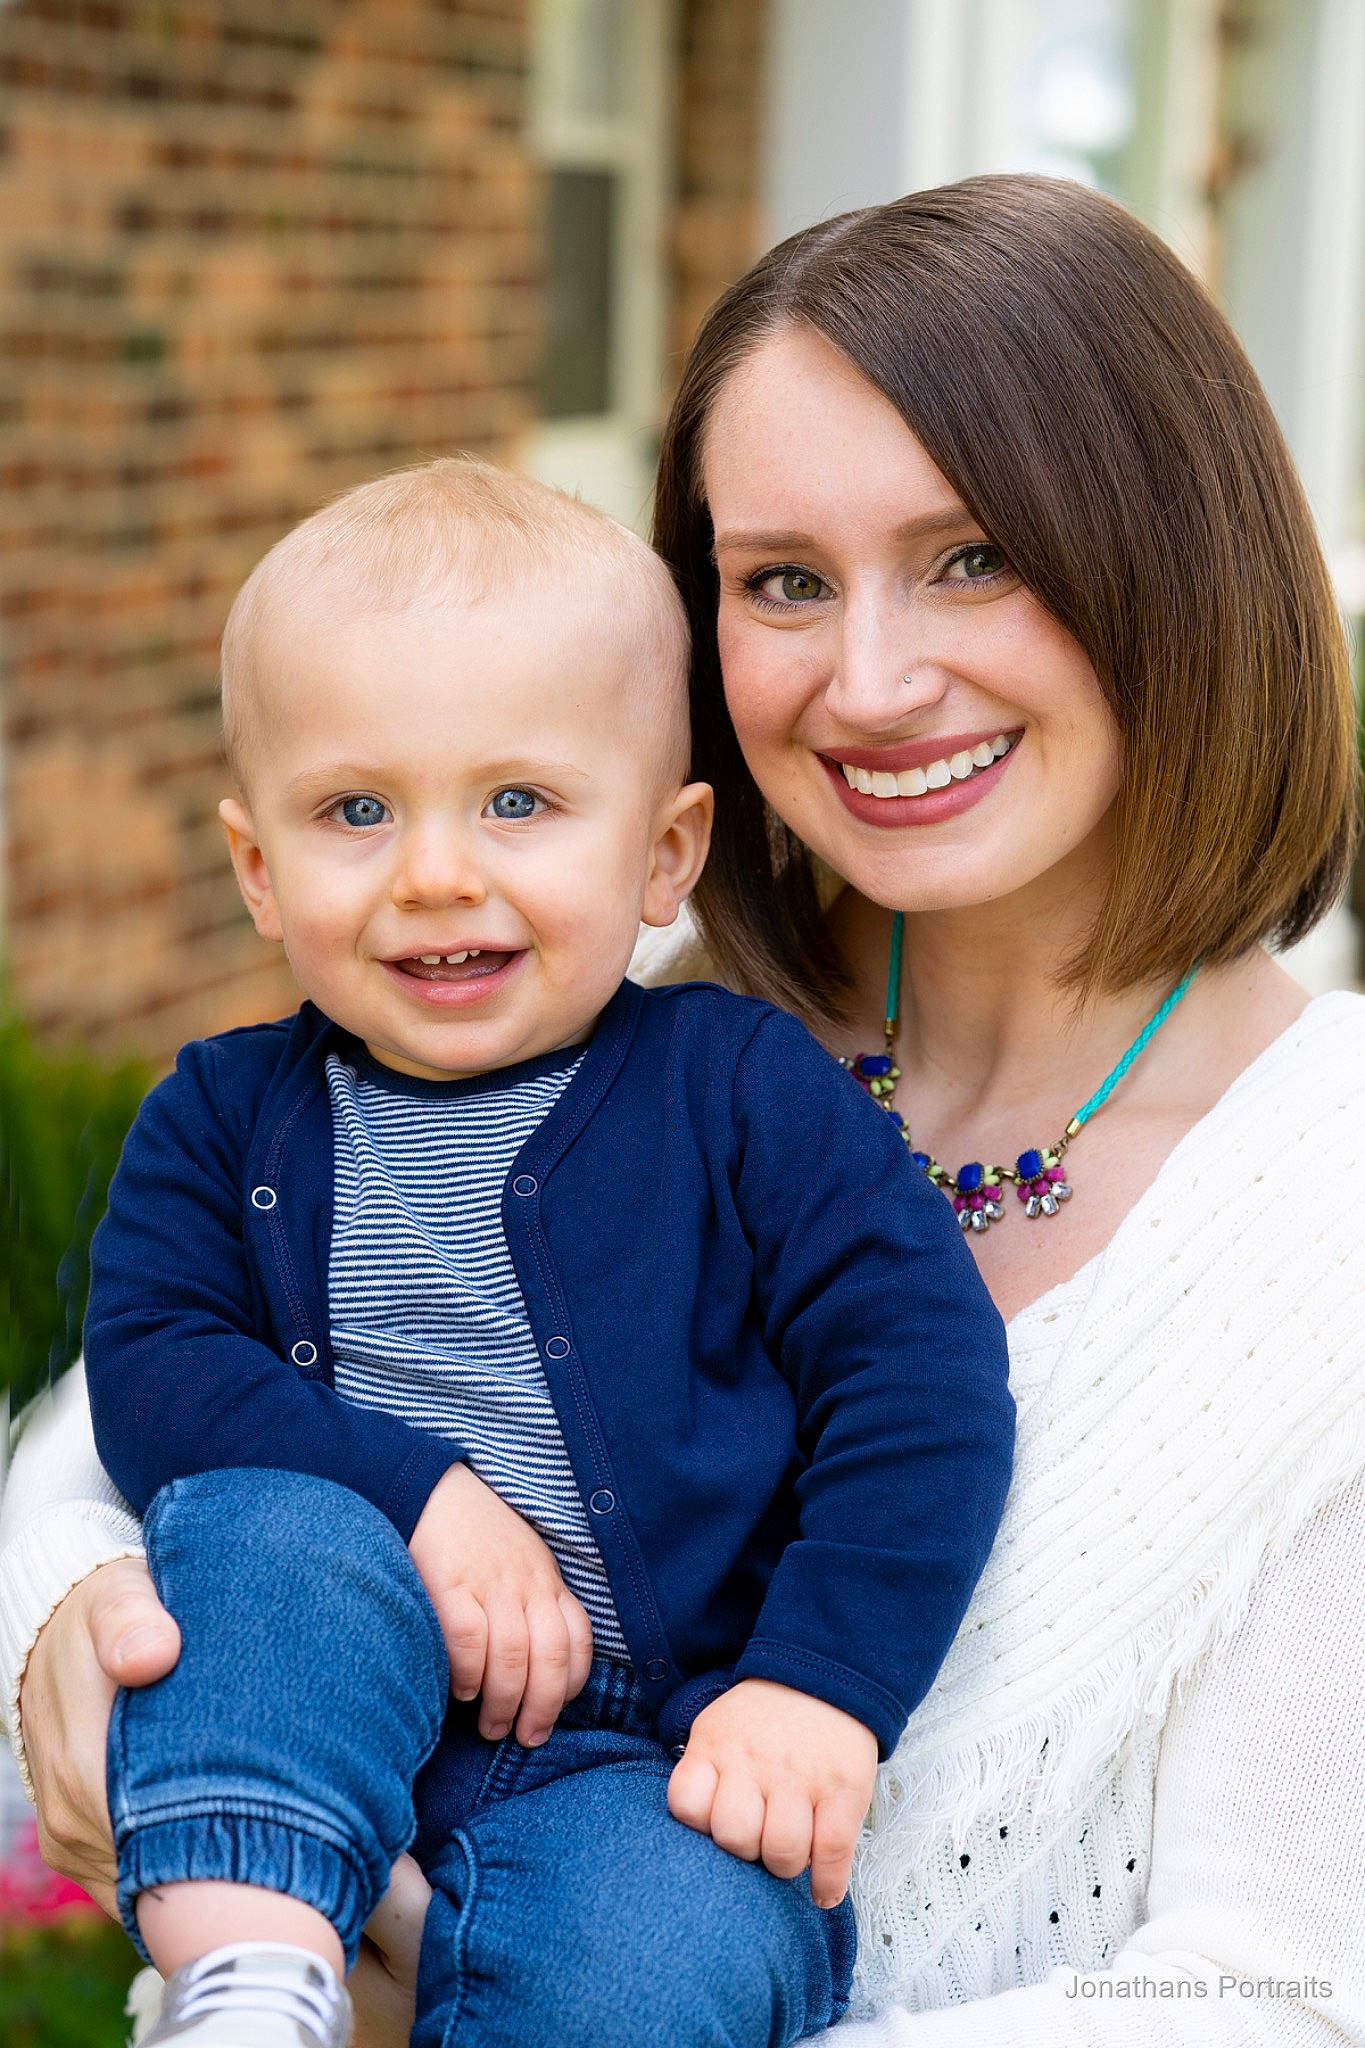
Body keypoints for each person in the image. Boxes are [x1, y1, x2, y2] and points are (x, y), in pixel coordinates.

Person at [4, 172, 1365, 2048]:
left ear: (1176, 560)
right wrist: (76, 1620)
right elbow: (122, 1409)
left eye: (975, 555)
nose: (871, 681)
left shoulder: (1327, 1215)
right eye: (783, 580)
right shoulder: (603, 1023)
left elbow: (1282, 1996)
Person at [65, 455, 1013, 2048]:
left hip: (642, 1763)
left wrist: (817, 1686)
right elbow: (154, 1369)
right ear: (254, 870)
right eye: (356, 811)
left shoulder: (743, 1094)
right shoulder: (223, 1118)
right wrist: (415, 1496)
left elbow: (918, 1383)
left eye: (518, 803)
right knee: (263, 1545)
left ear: (663, 852)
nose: (438, 870)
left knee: (680, 1939)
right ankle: (246, 1987)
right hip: (330, 1673)